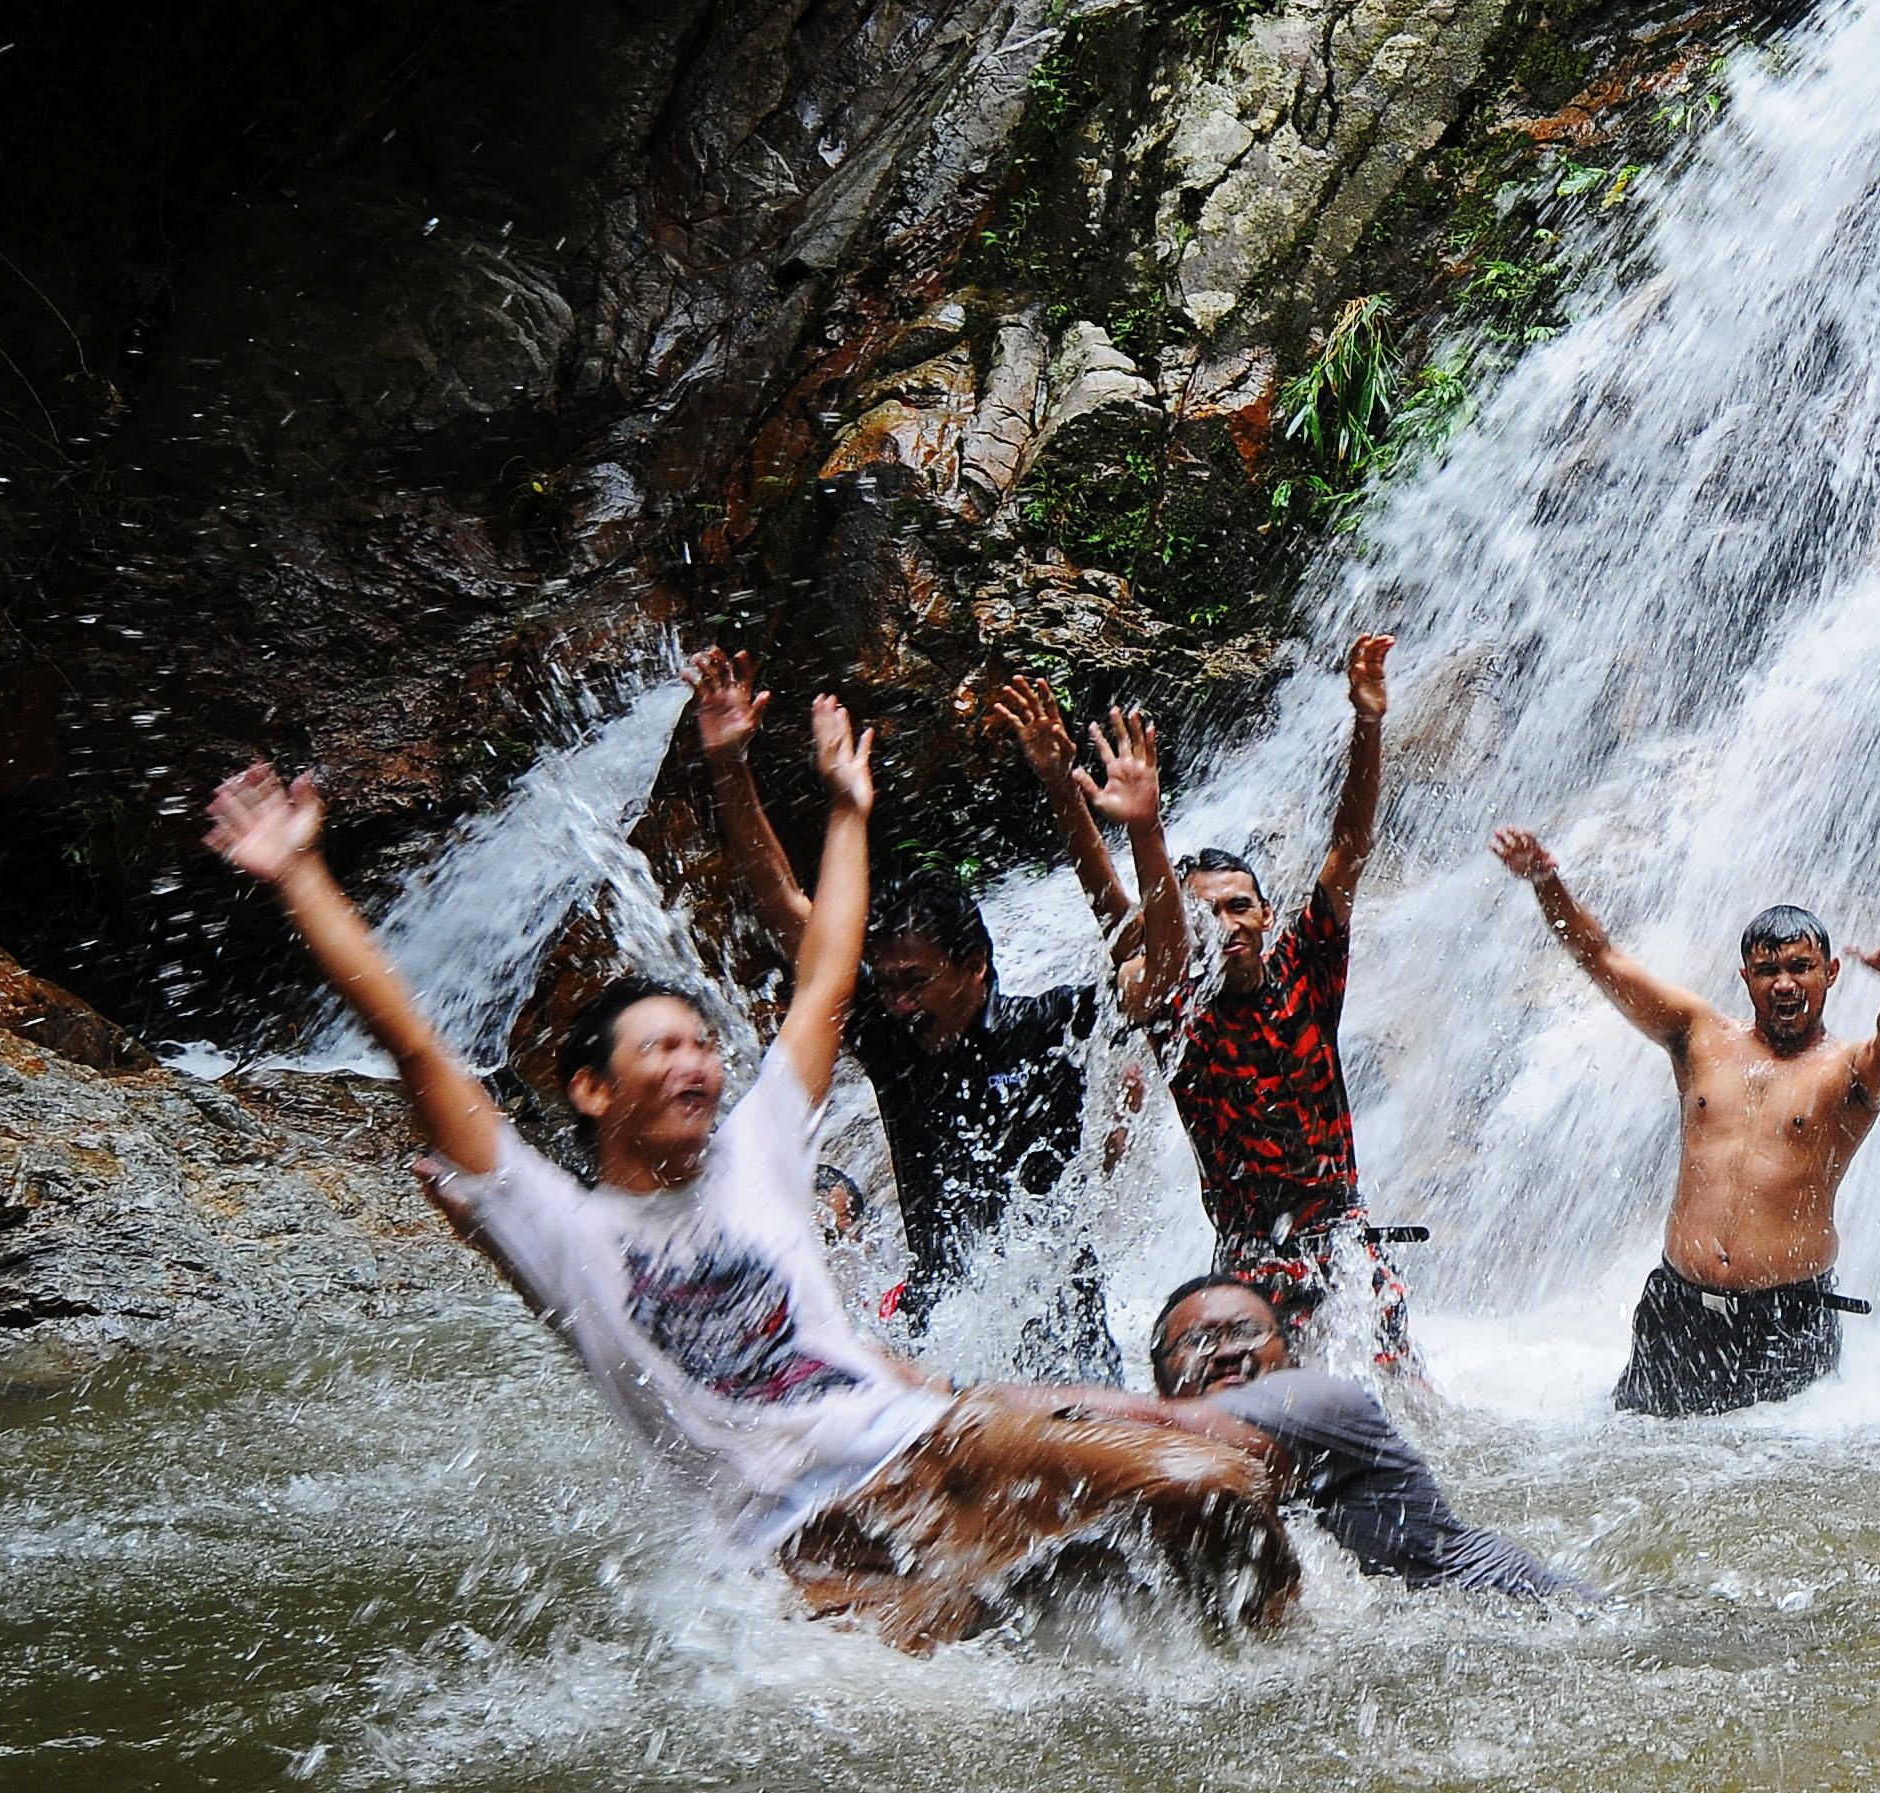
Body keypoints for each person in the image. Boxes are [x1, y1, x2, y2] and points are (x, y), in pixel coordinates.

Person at [202, 705, 1294, 1654]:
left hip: (935, 1445)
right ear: (590, 1090)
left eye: (703, 1045)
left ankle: (1275, 1666)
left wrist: (850, 810)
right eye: (662, 1048)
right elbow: (415, 1044)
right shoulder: (560, 1228)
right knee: (956, 1671)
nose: (697, 1063)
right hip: (796, 1537)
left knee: (1219, 1486)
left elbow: (823, 983)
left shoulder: (758, 1151)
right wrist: (300, 874)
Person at [688, 647, 1181, 1384]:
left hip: (1060, 1321)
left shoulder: (1051, 1025)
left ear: (974, 965)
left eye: (915, 981)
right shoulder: (892, 1040)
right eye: (887, 984)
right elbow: (786, 908)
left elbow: (1158, 971)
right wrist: (730, 767)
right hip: (939, 1325)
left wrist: (1118, 817)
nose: (898, 1001)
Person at [1487, 831, 1880, 1418]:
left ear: (1830, 973)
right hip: (1678, 1317)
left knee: (1779, 1476)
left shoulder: (1847, 1071)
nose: (1784, 983)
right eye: (1767, 969)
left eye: (1800, 967)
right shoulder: (1699, 1036)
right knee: (1637, 1460)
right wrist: (1547, 883)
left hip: (1787, 1325)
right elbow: (1601, 957)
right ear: (1745, 977)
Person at [1162, 632, 1424, 1392]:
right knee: (1261, 1424)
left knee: (1402, 1412)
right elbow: (1120, 914)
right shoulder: (1180, 1019)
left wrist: (1368, 721)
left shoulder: (1305, 976)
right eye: (1207, 914)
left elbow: (1351, 846)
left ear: (1266, 915)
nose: (1227, 925)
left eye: (1239, 906)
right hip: (1248, 1271)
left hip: (1343, 1251)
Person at [1140, 1277, 1578, 1599]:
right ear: (1160, 1380)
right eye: (1199, 1340)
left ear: (1291, 1359)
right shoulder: (1174, 1466)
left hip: (1527, 1610)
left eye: (1247, 1332)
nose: (1228, 1351)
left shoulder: (1323, 1404)